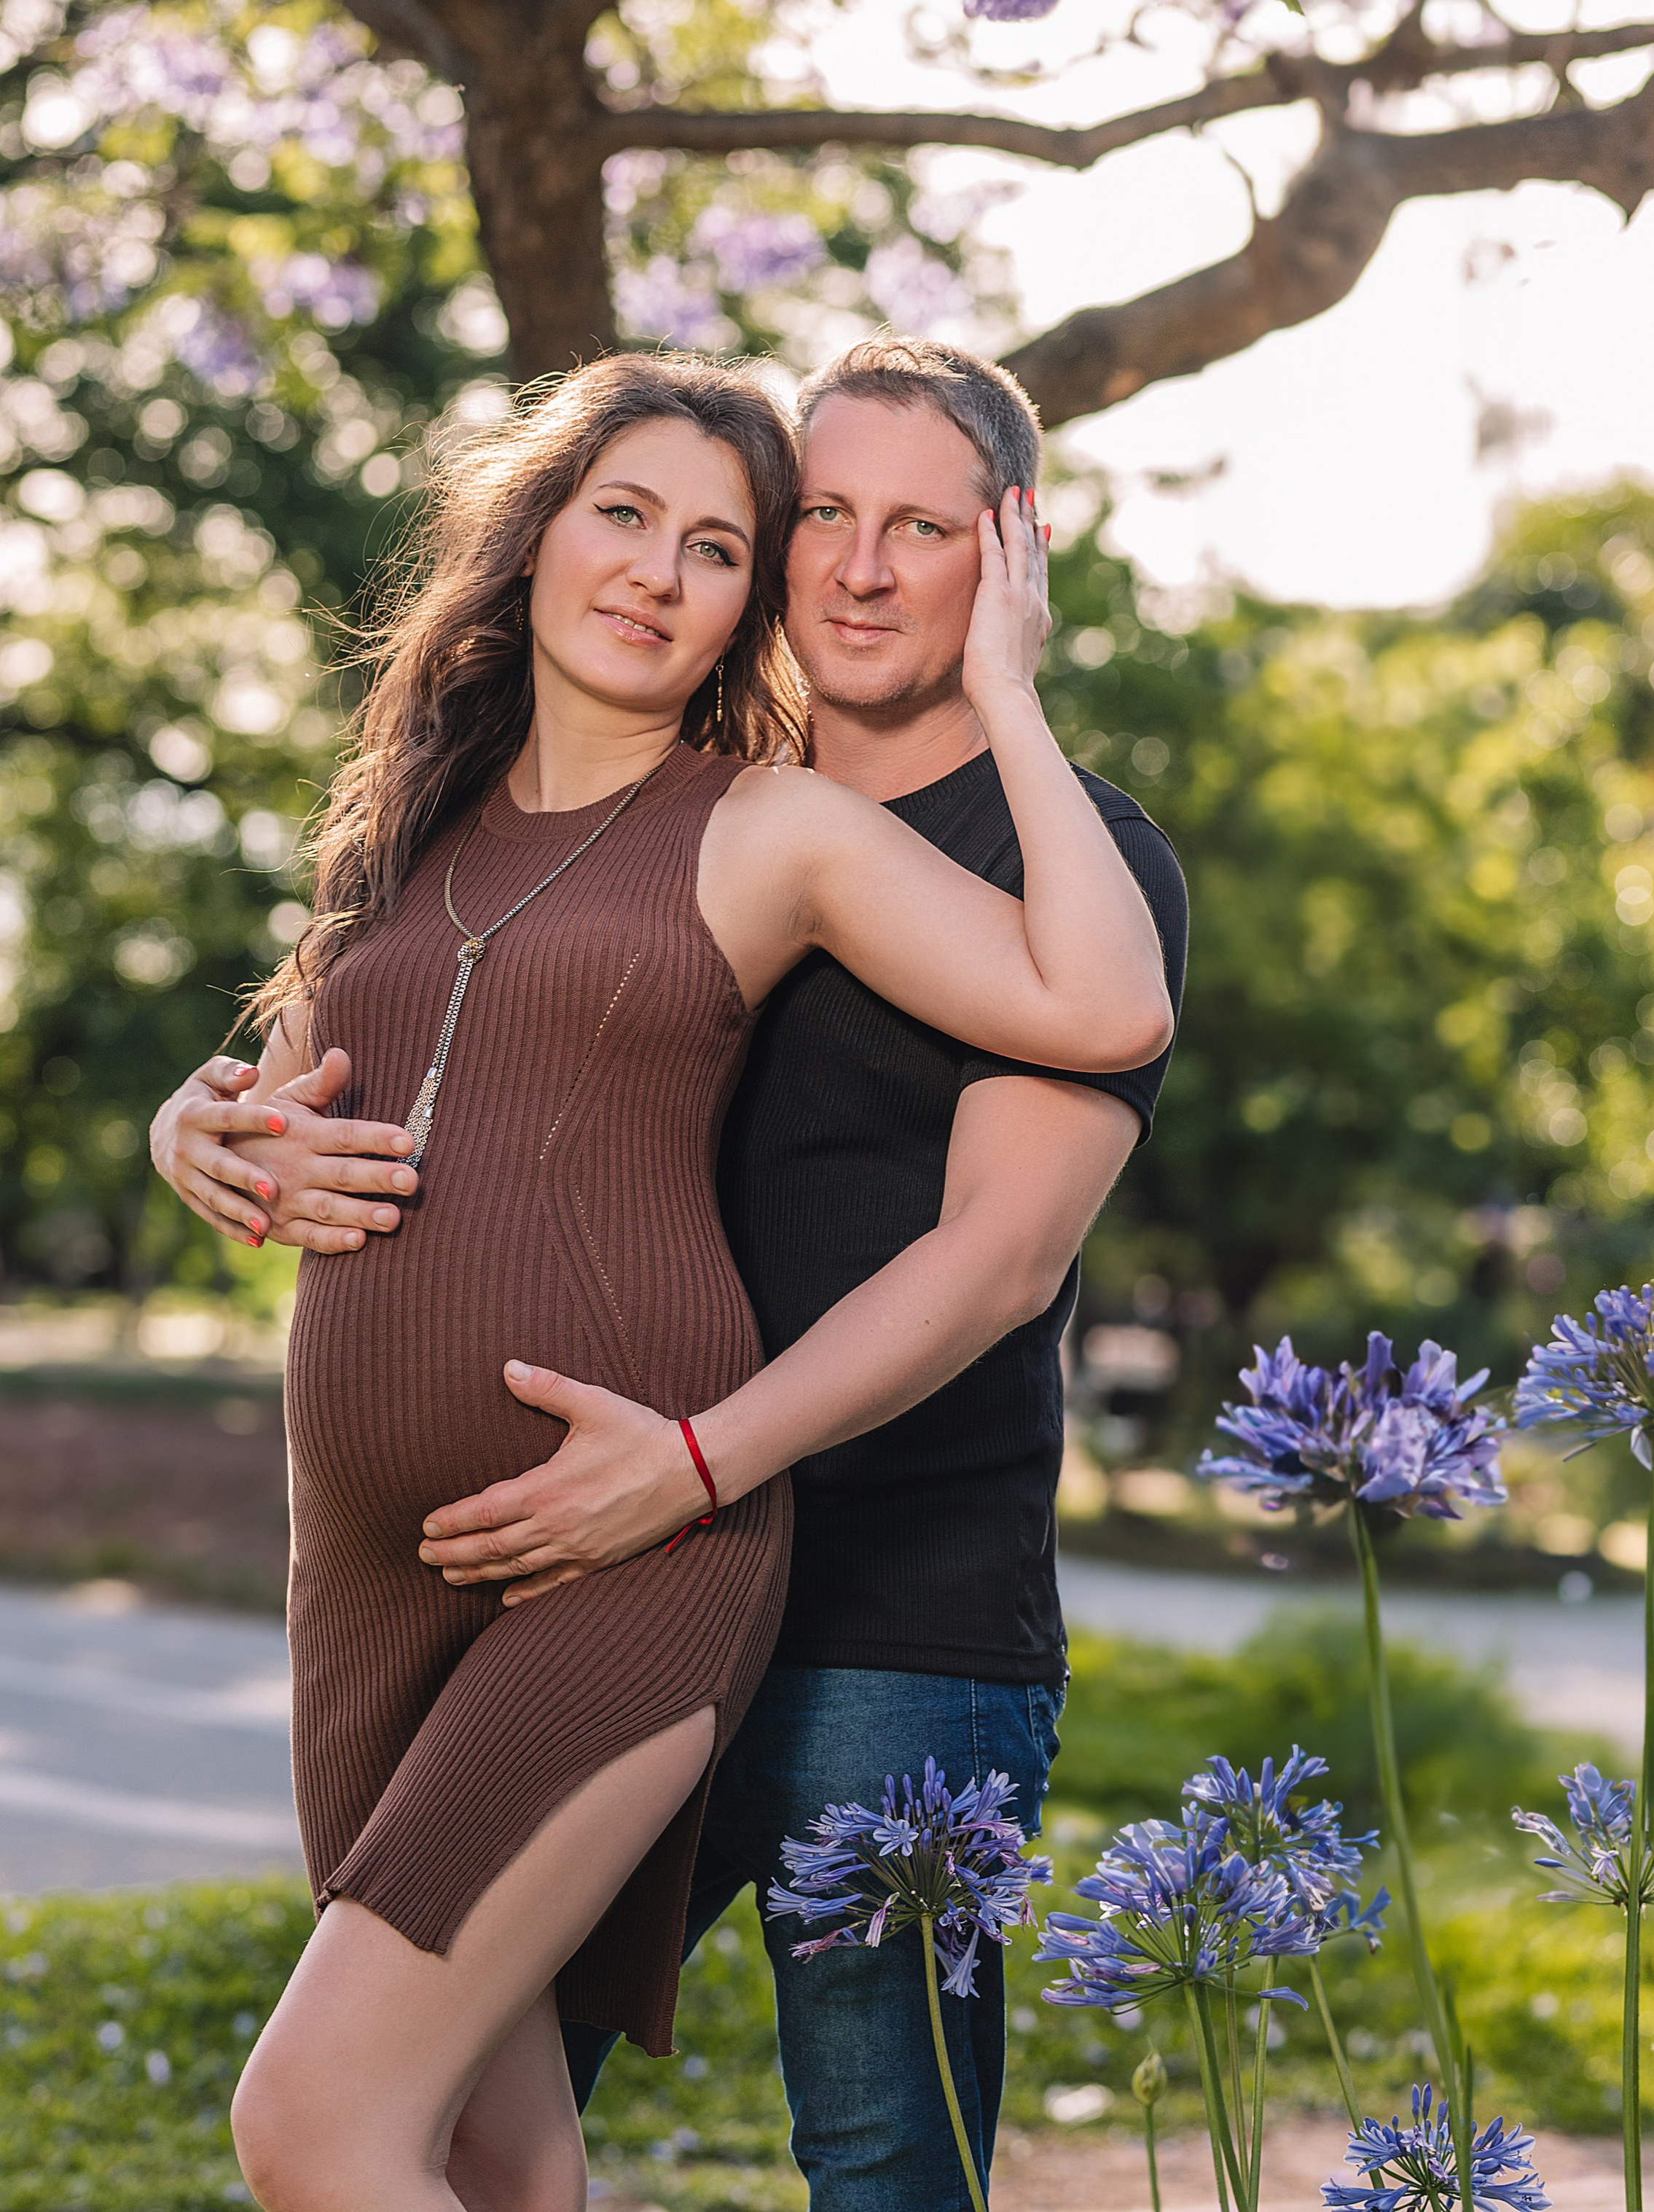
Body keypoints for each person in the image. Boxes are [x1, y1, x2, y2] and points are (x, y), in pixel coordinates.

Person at [157, 348, 1174, 2212]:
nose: (858, 569)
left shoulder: (970, 852)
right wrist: (199, 1124)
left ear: (1006, 556)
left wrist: (697, 1462)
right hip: (481, 1558)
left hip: (861, 1594)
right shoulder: (622, 807)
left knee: (867, 2153)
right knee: (489, 2129)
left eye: (921, 530)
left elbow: (1002, 1251)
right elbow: (380, 1058)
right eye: (822, 525)